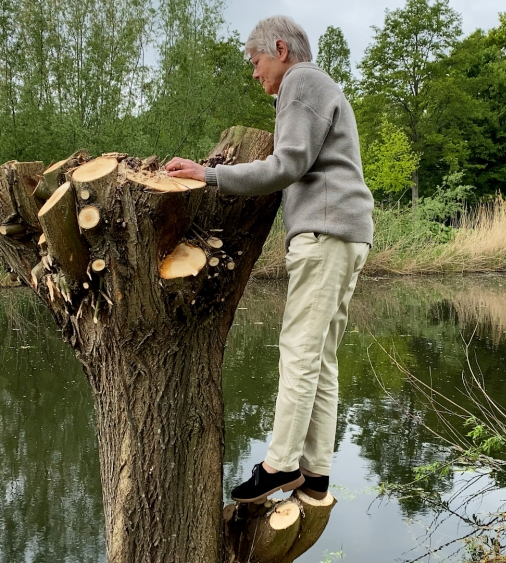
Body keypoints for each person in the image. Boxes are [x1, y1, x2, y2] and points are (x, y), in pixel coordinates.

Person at [165, 15, 374, 503]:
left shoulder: (301, 80)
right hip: (348, 233)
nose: (254, 74)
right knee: (320, 357)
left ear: (280, 49)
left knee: (299, 350)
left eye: (255, 62)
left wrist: (210, 175)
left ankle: (279, 465)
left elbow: (288, 163)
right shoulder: (321, 88)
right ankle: (315, 471)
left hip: (325, 232)